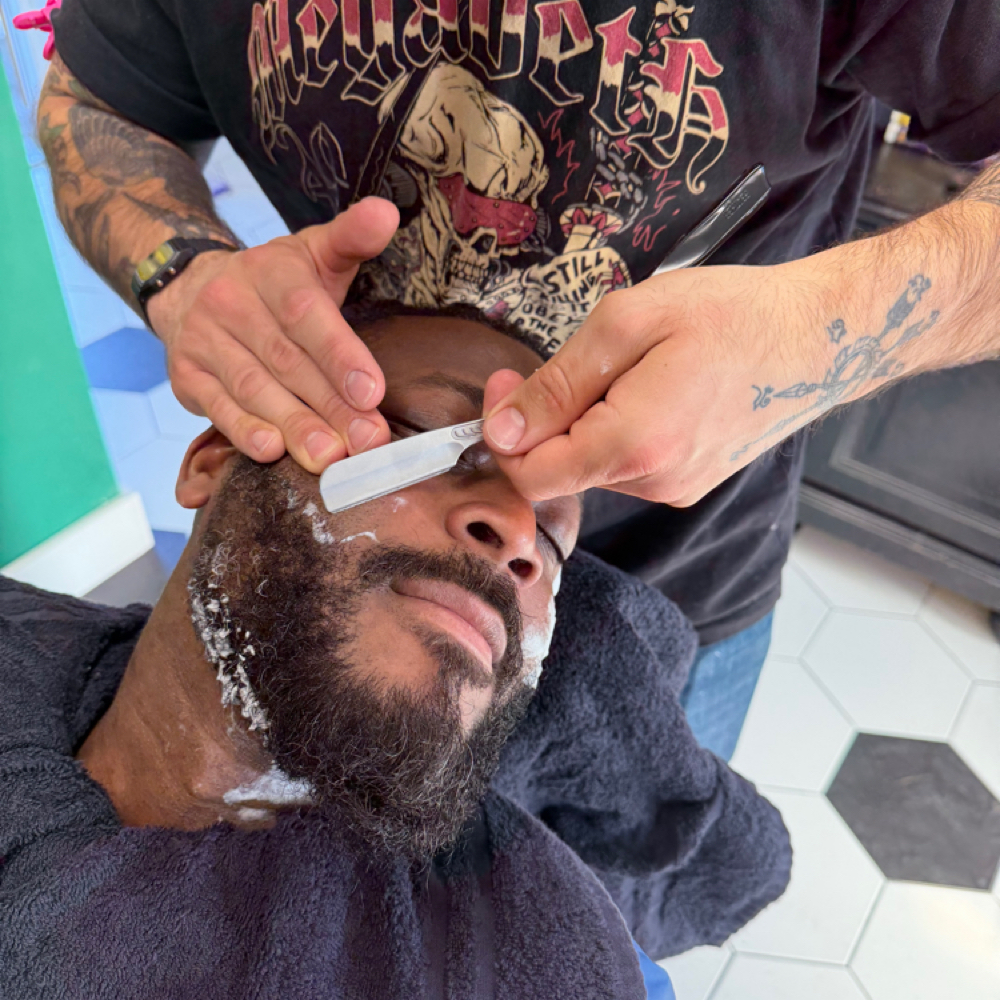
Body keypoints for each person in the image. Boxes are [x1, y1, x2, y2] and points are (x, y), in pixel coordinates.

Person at [32, 0, 998, 758]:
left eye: (550, 529)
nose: (523, 532)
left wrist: (822, 335)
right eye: (422, 431)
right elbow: (96, 101)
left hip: (683, 574)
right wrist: (181, 274)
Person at [0, 305, 790, 999]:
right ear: (216, 457)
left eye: (553, 540)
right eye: (436, 441)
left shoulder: (552, 958)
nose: (521, 537)